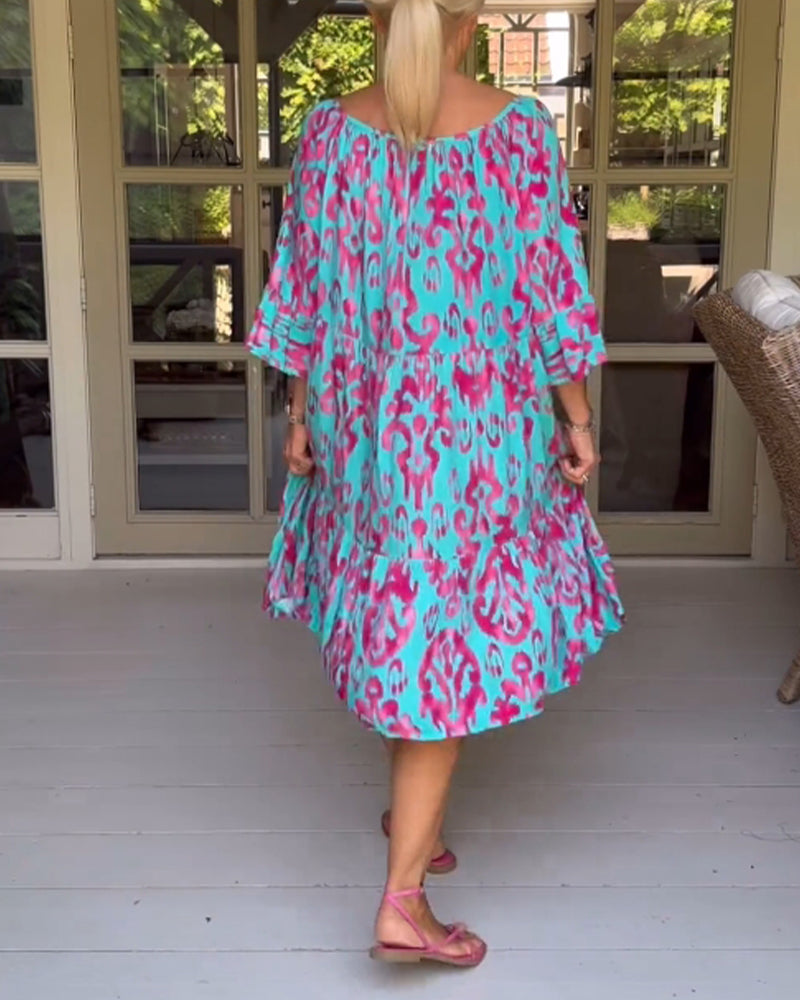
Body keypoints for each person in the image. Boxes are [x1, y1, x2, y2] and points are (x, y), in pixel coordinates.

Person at [248, 0, 624, 969]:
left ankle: (415, 823)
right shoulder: (516, 132)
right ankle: (404, 902)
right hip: (475, 441)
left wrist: (300, 413)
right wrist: (577, 420)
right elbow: (549, 293)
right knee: (441, 638)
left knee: (403, 619)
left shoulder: (330, 133)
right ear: (471, 21)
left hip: (368, 433)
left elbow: (303, 287)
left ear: (376, 17)